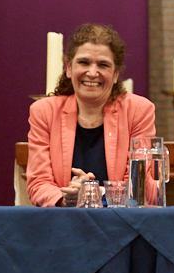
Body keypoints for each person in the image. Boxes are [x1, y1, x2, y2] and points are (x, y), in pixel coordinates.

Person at [27, 23, 156, 207]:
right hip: (64, 222)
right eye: (84, 62)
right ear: (69, 68)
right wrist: (66, 198)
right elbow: (38, 182)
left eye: (103, 65)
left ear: (115, 74)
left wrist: (93, 193)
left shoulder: (139, 110)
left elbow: (140, 183)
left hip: (120, 223)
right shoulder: (44, 112)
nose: (92, 72)